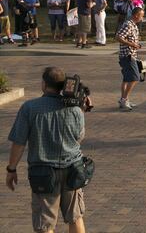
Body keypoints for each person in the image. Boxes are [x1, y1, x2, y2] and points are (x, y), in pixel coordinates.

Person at [6, 67, 90, 233]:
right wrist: (81, 109)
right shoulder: (75, 109)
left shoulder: (29, 107)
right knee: (75, 217)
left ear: (44, 84)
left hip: (42, 172)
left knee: (44, 224)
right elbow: (79, 137)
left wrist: (11, 168)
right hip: (72, 169)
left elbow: (19, 142)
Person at [116, 7, 145, 111]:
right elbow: (118, 37)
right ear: (136, 15)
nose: (142, 17)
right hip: (127, 56)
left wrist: (136, 44)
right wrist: (131, 44)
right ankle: (124, 99)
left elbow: (129, 38)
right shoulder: (128, 24)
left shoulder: (133, 25)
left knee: (126, 78)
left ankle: (124, 99)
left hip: (131, 55)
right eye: (142, 15)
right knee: (134, 78)